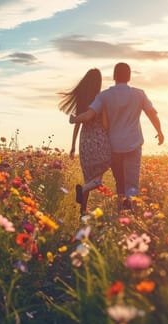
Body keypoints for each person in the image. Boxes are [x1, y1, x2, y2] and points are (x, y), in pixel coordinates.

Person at [70, 62, 164, 210]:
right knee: (132, 184)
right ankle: (130, 215)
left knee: (119, 182)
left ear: (114, 76)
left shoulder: (104, 96)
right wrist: (159, 131)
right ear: (129, 76)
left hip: (114, 147)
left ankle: (121, 213)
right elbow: (152, 113)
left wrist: (74, 119)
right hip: (133, 145)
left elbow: (89, 115)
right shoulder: (139, 94)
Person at [59, 68, 111, 215]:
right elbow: (106, 124)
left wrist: (73, 145)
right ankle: (82, 191)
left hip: (85, 140)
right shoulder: (101, 99)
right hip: (99, 140)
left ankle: (83, 211)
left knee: (88, 177)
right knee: (98, 177)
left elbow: (78, 123)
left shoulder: (83, 100)